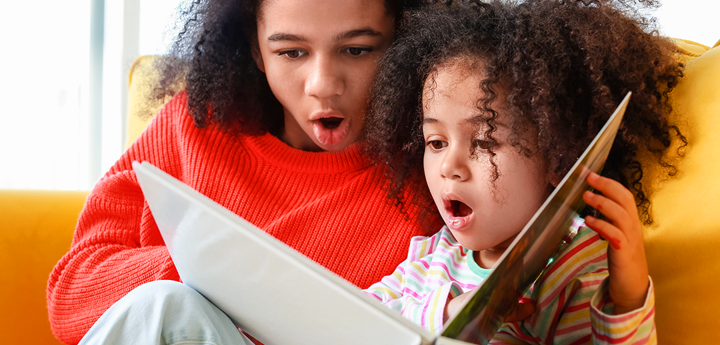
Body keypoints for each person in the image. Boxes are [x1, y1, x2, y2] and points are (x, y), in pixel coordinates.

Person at [46, 0, 442, 344]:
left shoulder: (439, 171)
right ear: (257, 50)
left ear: (403, 43)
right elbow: (71, 296)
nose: (323, 84)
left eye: (356, 50)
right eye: (291, 52)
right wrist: (210, 269)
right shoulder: (195, 124)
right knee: (167, 307)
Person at [362, 0, 686, 343]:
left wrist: (626, 301)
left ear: (557, 155)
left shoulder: (573, 266)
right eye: (436, 142)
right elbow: (354, 321)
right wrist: (445, 313)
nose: (449, 167)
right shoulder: (434, 256)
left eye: (484, 142)